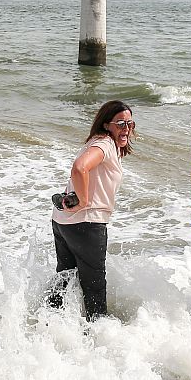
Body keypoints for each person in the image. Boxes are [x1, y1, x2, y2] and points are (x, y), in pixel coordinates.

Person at [48, 100, 135, 321]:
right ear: (107, 125)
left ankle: (47, 327)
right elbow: (80, 167)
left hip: (64, 221)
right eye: (121, 124)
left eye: (130, 124)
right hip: (86, 223)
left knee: (65, 279)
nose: (126, 129)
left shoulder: (99, 142)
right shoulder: (105, 144)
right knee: (94, 287)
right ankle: (98, 339)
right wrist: (84, 201)